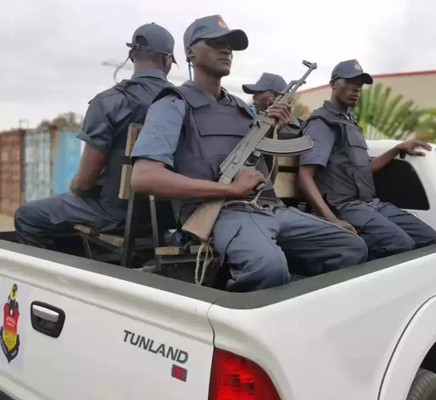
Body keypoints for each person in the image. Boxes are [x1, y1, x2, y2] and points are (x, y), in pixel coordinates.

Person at [130, 15, 367, 292]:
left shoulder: (242, 110)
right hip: (225, 213)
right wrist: (229, 190)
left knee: (352, 248)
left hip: (270, 209)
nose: (226, 50)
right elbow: (143, 177)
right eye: (216, 43)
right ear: (191, 53)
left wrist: (272, 133)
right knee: (268, 267)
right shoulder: (173, 103)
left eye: (230, 45)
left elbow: (264, 176)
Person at [14, 23, 176, 251]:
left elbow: (84, 181)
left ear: (132, 56)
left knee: (26, 216)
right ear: (168, 60)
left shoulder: (110, 102)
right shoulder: (183, 104)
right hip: (167, 219)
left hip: (115, 215)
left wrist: (77, 188)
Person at [298, 59, 436, 261]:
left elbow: (365, 169)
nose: (356, 88)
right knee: (400, 244)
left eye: (359, 85)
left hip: (369, 204)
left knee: (428, 238)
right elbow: (305, 176)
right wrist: (331, 219)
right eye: (350, 82)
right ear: (333, 84)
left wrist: (396, 149)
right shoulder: (322, 122)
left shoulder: (351, 124)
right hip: (342, 206)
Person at [242, 73, 303, 139]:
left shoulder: (295, 130)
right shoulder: (248, 119)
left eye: (259, 92)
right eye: (254, 93)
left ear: (277, 96)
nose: (254, 97)